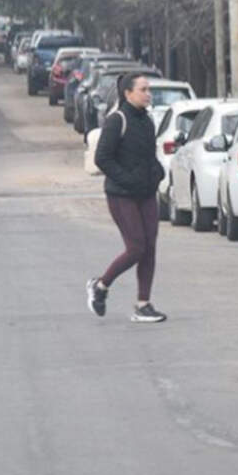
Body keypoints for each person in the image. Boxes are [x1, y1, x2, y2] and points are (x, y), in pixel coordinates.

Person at [86, 72, 168, 323]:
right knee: (136, 248)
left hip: (146, 193)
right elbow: (102, 158)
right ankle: (100, 286)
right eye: (143, 89)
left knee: (149, 248)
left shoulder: (147, 121)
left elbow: (148, 155)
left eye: (148, 89)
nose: (148, 94)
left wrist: (157, 172)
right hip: (122, 195)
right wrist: (128, 179)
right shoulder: (116, 120)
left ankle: (143, 304)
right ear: (128, 93)